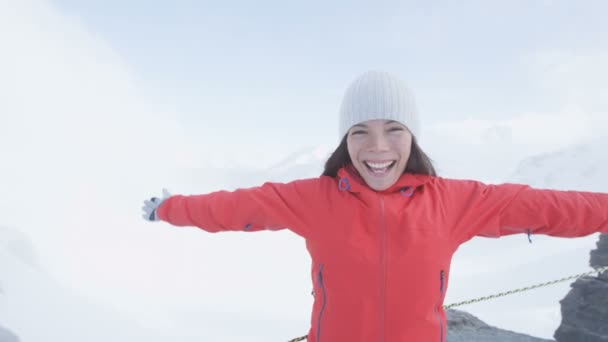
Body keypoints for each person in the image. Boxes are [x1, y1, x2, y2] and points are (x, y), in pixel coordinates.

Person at [142, 70, 608, 342]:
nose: (377, 146)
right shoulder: (313, 199)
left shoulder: (455, 202)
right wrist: (168, 208)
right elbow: (231, 208)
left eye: (394, 128)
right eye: (360, 131)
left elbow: (549, 207)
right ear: (346, 140)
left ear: (413, 136)